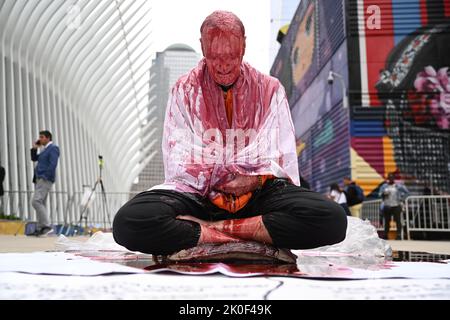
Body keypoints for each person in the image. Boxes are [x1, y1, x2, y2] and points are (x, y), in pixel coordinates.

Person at [113, 11, 347, 256]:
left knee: (331, 219)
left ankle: (210, 232)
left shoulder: (269, 89)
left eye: (231, 55)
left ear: (244, 46)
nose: (223, 65)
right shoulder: (184, 90)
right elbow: (179, 155)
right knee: (130, 222)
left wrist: (254, 179)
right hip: (200, 195)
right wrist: (215, 179)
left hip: (257, 195)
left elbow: (280, 155)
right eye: (215, 57)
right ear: (202, 48)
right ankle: (254, 234)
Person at [31, 130, 60, 236]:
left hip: (45, 179)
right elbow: (34, 158)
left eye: (42, 137)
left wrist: (45, 176)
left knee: (36, 201)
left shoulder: (53, 148)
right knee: (41, 203)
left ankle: (46, 226)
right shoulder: (44, 150)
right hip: (39, 179)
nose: (40, 139)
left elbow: (53, 164)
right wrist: (35, 148)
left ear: (48, 138)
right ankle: (40, 229)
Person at [379, 173, 410, 240]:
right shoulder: (384, 186)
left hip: (396, 205)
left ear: (394, 179)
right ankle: (386, 234)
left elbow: (407, 192)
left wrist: (402, 199)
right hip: (387, 205)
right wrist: (383, 194)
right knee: (387, 221)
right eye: (389, 178)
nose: (390, 179)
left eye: (392, 178)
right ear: (388, 179)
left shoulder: (398, 186)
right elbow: (379, 194)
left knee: (398, 220)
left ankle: (398, 235)